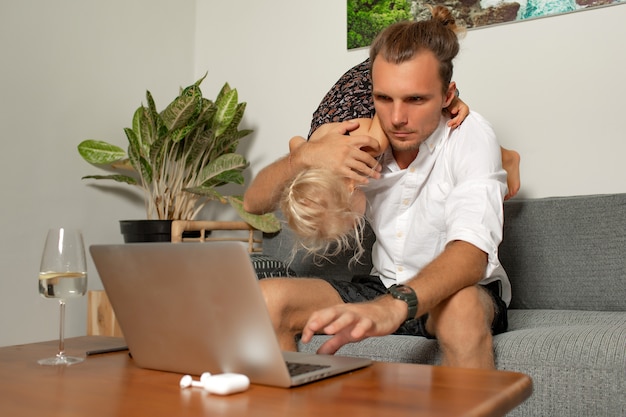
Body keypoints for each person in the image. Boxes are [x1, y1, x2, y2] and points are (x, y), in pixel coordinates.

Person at [244, 6, 512, 369]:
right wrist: (304, 157)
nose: (397, 117)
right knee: (269, 297)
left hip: (457, 292)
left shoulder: (470, 133)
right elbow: (254, 201)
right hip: (382, 286)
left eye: (416, 99)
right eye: (384, 98)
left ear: (448, 96)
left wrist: (394, 306)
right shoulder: (360, 141)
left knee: (461, 309)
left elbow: (471, 253)